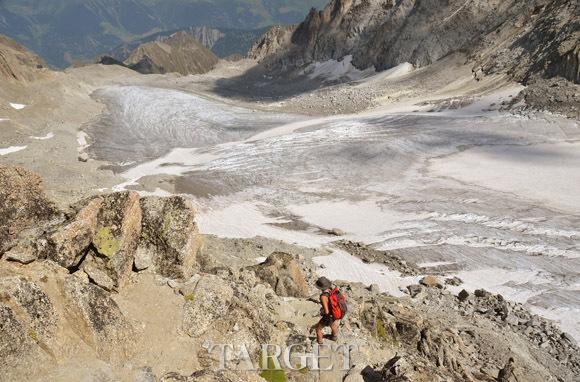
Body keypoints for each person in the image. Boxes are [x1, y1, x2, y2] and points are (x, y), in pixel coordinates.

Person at [315, 276, 339, 345]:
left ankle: (320, 342)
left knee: (318, 329)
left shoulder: (323, 296)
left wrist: (325, 316)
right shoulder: (331, 291)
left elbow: (326, 310)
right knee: (333, 326)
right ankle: (334, 337)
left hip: (328, 315)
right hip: (334, 312)